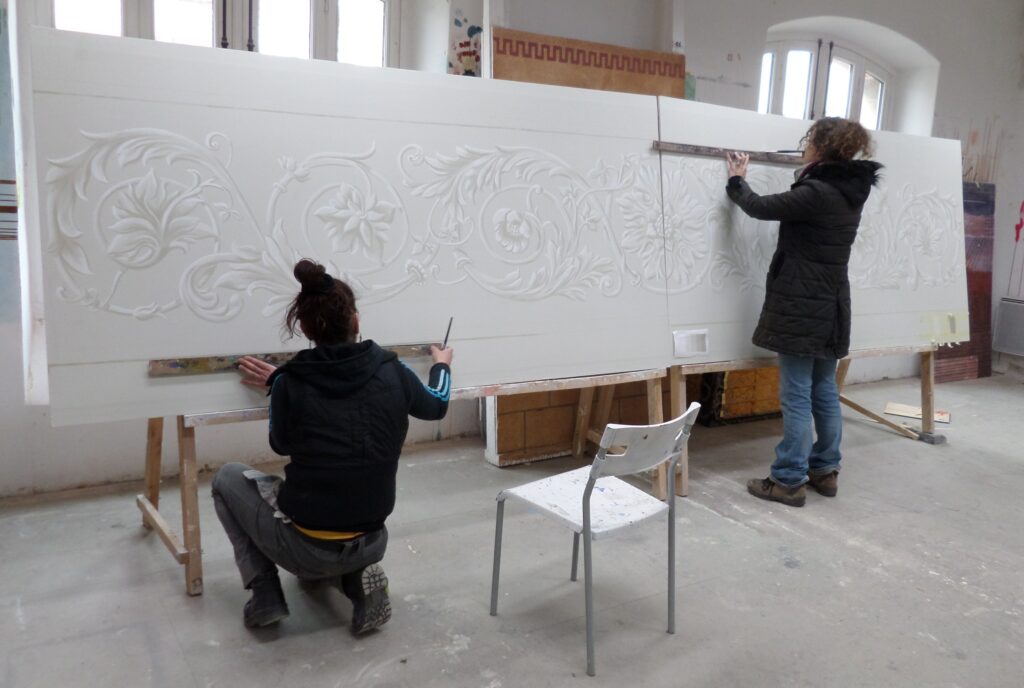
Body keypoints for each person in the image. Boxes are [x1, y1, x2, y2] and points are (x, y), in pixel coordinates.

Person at [211, 258, 453, 631]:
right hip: (373, 539)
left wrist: (280, 386)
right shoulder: (392, 370)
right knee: (343, 518)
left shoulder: (290, 382)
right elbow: (436, 405)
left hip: (305, 549)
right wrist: (442, 365)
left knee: (226, 478)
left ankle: (265, 595)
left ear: (305, 328)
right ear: (356, 320)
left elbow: (280, 444)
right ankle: (357, 583)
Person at [724, 117, 881, 508]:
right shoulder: (849, 190)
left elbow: (760, 207)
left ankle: (788, 479)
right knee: (824, 390)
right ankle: (825, 470)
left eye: (809, 140)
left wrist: (737, 181)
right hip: (832, 303)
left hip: (801, 304)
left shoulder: (817, 192)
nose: (804, 145)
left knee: (796, 395)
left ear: (822, 147)